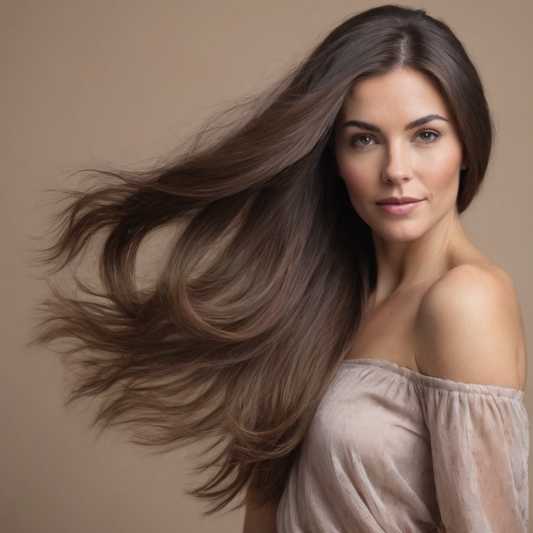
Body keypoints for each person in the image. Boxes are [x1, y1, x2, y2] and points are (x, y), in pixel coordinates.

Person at [35, 5, 528, 532]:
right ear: (335, 159)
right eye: (364, 139)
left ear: (466, 146)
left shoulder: (466, 301)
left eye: (425, 135)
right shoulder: (317, 303)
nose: (396, 171)